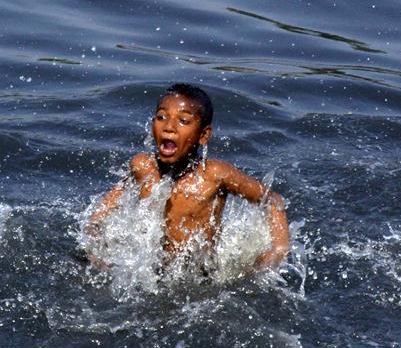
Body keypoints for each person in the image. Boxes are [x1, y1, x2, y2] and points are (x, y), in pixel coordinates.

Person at [86, 84, 289, 270]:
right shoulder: (142, 167)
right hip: (149, 269)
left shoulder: (215, 175)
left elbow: (272, 200)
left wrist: (277, 250)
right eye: (161, 117)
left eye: (183, 121)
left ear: (203, 136)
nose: (169, 127)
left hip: (202, 274)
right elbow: (101, 214)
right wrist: (95, 248)